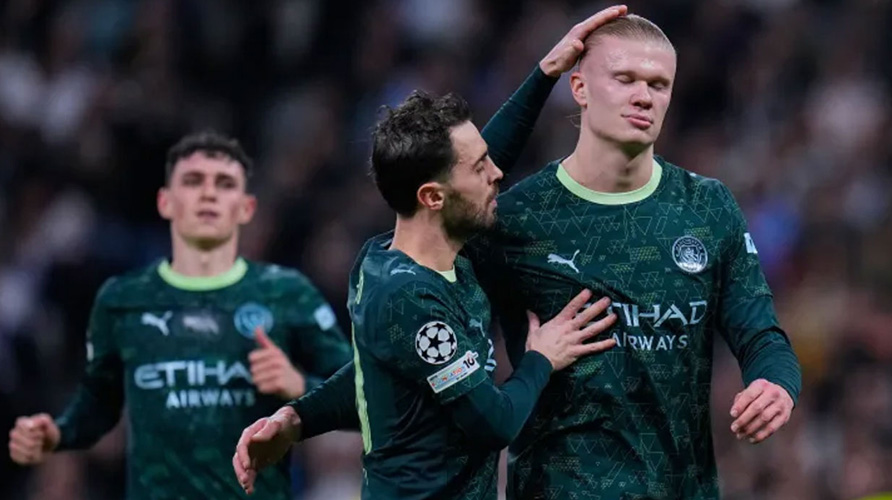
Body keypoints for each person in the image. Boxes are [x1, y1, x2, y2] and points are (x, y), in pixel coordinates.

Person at [242, 7, 802, 500]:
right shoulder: (512, 221)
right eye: (625, 78)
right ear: (579, 87)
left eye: (659, 84)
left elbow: (761, 333)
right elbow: (411, 351)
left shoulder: (706, 207)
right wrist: (302, 417)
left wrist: (775, 382)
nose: (643, 96)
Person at [231, 9, 630, 499]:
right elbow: (494, 423)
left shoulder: (393, 256)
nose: (497, 173)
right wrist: (541, 358)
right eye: (480, 168)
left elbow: (374, 378)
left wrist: (298, 418)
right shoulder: (410, 298)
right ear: (433, 197)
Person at [7, 131, 352, 499]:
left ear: (248, 209)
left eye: (224, 185)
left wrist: (298, 386)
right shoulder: (124, 300)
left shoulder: (289, 296)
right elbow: (98, 413)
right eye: (193, 182)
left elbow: (361, 397)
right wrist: (61, 434)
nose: (208, 196)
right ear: (166, 202)